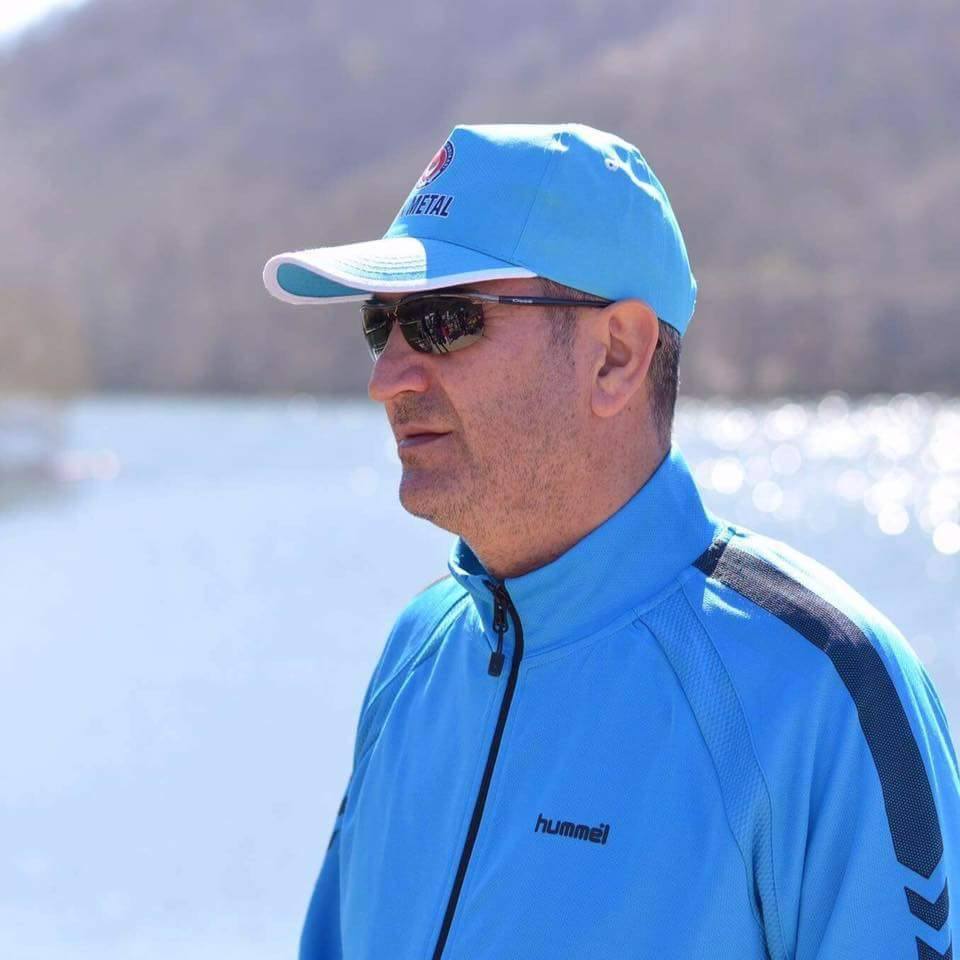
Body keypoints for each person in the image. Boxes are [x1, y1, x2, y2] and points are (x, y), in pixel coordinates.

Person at [263, 124, 959, 960]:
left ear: (616, 357)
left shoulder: (823, 692)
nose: (387, 379)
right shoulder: (416, 654)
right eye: (382, 325)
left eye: (444, 320)